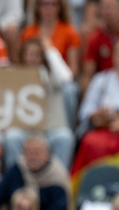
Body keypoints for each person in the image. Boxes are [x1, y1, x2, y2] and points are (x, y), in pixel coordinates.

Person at [75, 38, 119, 173]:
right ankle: (92, 181)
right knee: (90, 141)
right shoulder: (101, 79)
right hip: (103, 127)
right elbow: (86, 109)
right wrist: (96, 114)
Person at [4, 37, 77, 167]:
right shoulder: (15, 75)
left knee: (65, 137)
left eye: (37, 54)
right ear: (23, 56)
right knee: (11, 137)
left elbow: (67, 78)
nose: (33, 58)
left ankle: (58, 180)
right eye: (29, 54)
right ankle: (15, 181)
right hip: (24, 129)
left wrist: (50, 50)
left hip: (50, 128)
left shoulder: (52, 74)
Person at [21, 0, 81, 75]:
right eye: (44, 3)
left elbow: (73, 69)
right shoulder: (28, 32)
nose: (48, 7)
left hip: (60, 80)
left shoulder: (70, 32)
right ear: (37, 7)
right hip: (33, 77)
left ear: (59, 7)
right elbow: (22, 63)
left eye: (53, 4)